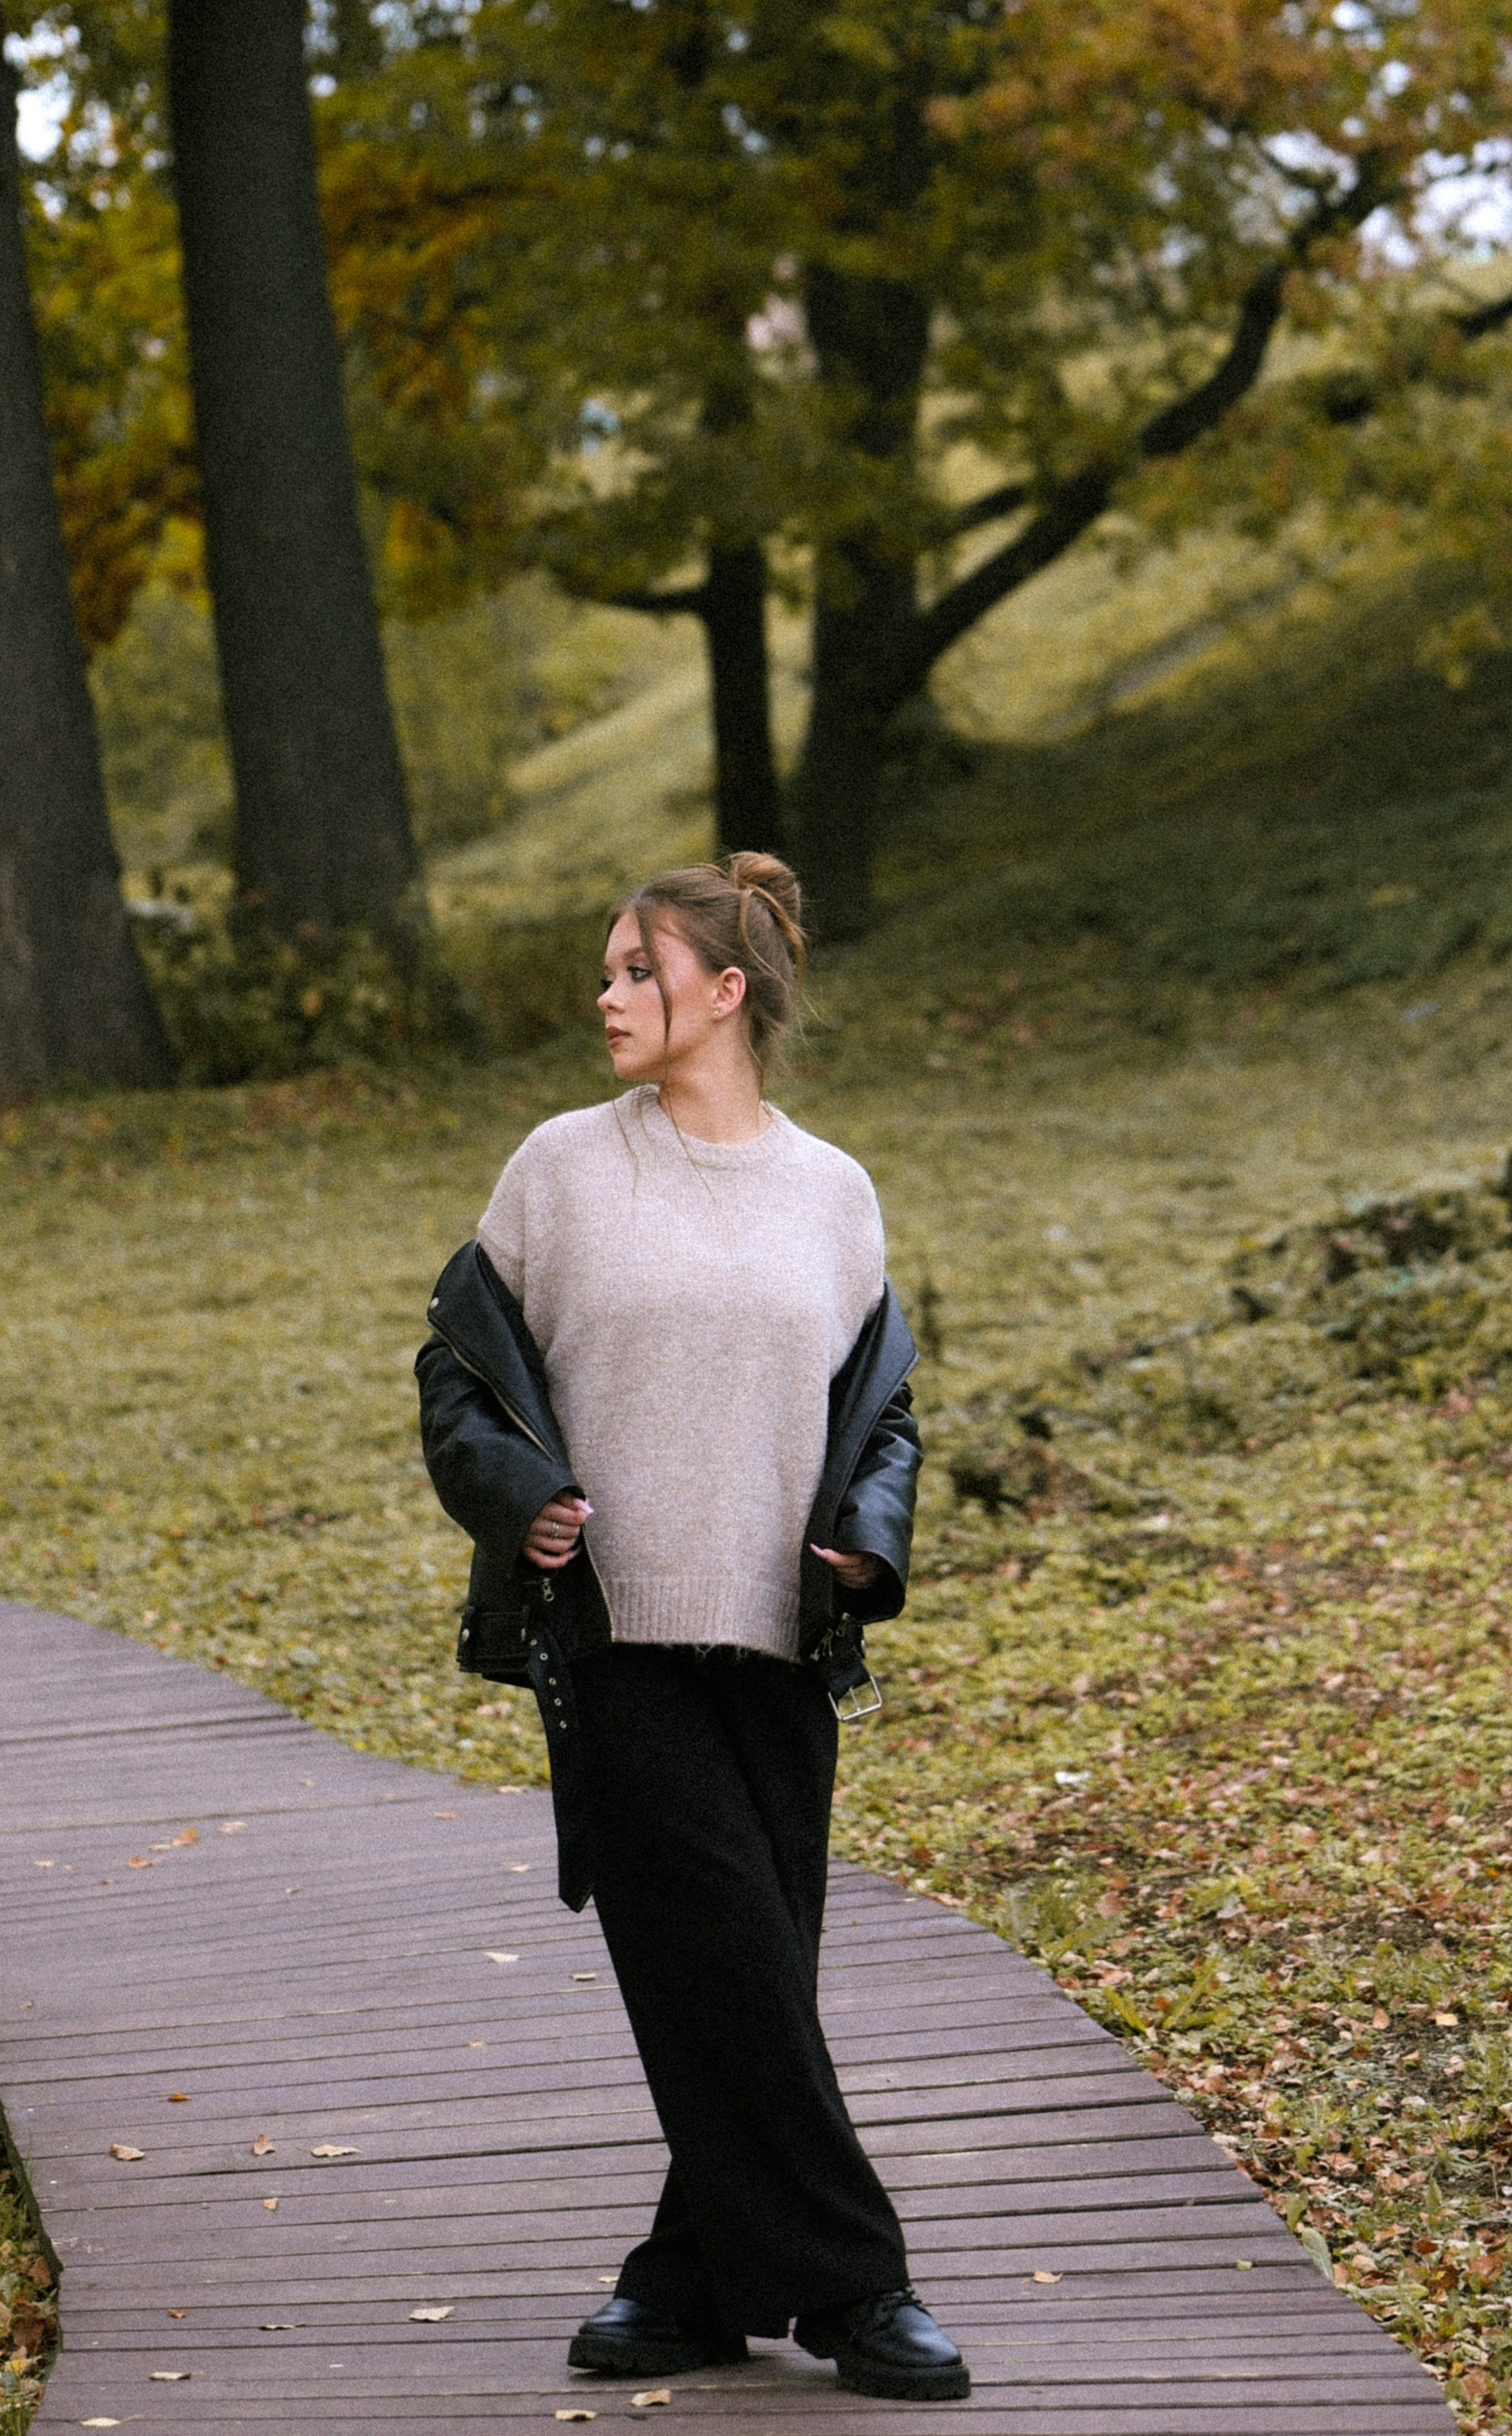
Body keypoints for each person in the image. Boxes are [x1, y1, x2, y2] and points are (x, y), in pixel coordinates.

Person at [416, 852, 971, 2406]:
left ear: (724, 994)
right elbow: (457, 1369)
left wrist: (869, 1544)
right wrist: (513, 1492)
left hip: (784, 1648)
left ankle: (690, 2284)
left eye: (635, 972)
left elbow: (884, 1414)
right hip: (618, 1639)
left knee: (752, 1981)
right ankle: (863, 2289)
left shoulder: (834, 1191)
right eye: (605, 972)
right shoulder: (561, 1170)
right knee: (725, 1948)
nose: (606, 997)